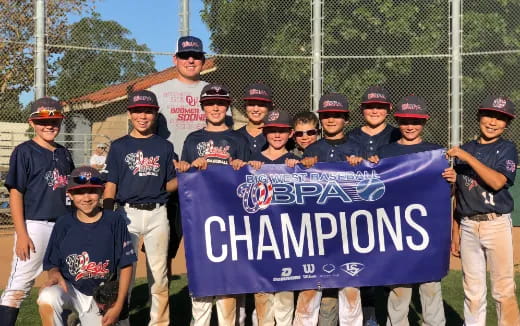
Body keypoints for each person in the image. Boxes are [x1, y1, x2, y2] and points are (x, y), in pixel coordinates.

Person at [368, 95, 455, 326]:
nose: (410, 126)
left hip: (427, 232)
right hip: (395, 231)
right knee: (399, 290)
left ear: (424, 123)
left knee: (430, 287)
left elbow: (445, 195)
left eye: (415, 121)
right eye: (405, 121)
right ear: (398, 121)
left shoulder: (435, 152)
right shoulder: (385, 152)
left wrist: (452, 181)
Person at [103, 89, 178, 326]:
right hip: (126, 214)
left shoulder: (164, 146)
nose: (142, 116)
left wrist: (190, 176)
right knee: (125, 273)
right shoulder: (119, 146)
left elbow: (169, 184)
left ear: (155, 114)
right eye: (138, 111)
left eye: (148, 111)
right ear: (129, 114)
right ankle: (122, 322)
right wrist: (107, 217)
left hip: (157, 213)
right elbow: (111, 184)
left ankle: (159, 323)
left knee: (159, 276)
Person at [177, 83, 249, 326]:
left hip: (231, 218)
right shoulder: (193, 139)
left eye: (220, 103)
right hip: (201, 217)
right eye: (210, 103)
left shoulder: (238, 138)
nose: (216, 107)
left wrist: (242, 166)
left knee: (230, 280)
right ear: (202, 107)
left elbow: (251, 178)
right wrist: (188, 166)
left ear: (227, 106)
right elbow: (183, 176)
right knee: (202, 274)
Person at [0, 97, 75, 326]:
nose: (49, 126)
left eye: (54, 121)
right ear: (31, 123)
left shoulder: (64, 153)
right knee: (19, 286)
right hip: (35, 225)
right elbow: (16, 193)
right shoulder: (24, 151)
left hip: (64, 226)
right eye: (42, 121)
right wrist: (22, 234)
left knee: (69, 280)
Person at [447, 95, 520, 326]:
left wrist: (466, 157)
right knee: (473, 291)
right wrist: (456, 231)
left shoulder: (507, 148)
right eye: (489, 115)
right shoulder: (466, 149)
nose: (492, 121)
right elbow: (459, 194)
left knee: (503, 289)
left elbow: (498, 182)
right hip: (468, 225)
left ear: (507, 123)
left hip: (495, 223)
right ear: (479, 116)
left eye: (500, 118)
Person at [37, 166, 136, 326]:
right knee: (47, 297)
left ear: (101, 192)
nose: (86, 197)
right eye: (79, 192)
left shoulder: (114, 221)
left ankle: (76, 322)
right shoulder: (63, 223)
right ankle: (68, 316)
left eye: (92, 191)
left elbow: (126, 265)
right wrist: (54, 273)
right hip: (71, 289)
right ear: (69, 194)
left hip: (100, 296)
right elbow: (52, 263)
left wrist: (118, 306)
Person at [296, 93, 363, 326]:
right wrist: (304, 166)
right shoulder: (313, 149)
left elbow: (372, 186)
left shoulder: (358, 148)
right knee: (310, 287)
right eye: (326, 116)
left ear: (346, 118)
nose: (331, 120)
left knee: (350, 289)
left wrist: (362, 164)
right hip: (316, 229)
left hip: (350, 229)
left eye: (336, 115)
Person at [347, 85, 400, 326]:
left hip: (390, 211)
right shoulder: (351, 137)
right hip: (358, 212)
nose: (375, 111)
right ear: (362, 110)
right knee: (361, 270)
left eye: (380, 107)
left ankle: (392, 318)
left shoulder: (397, 135)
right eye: (370, 107)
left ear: (388, 109)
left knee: (391, 270)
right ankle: (367, 318)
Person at [243, 110, 298, 325]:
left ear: (290, 134)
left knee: (285, 291)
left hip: (287, 235)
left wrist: (302, 167)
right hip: (260, 235)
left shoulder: (295, 161)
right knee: (262, 293)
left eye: (282, 131)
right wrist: (244, 168)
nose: (277, 135)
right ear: (264, 132)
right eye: (272, 130)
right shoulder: (253, 160)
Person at [236, 83, 273, 154]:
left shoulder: (277, 137)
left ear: (270, 107)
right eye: (251, 104)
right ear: (245, 106)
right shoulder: (235, 136)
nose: (256, 109)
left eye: (261, 105)